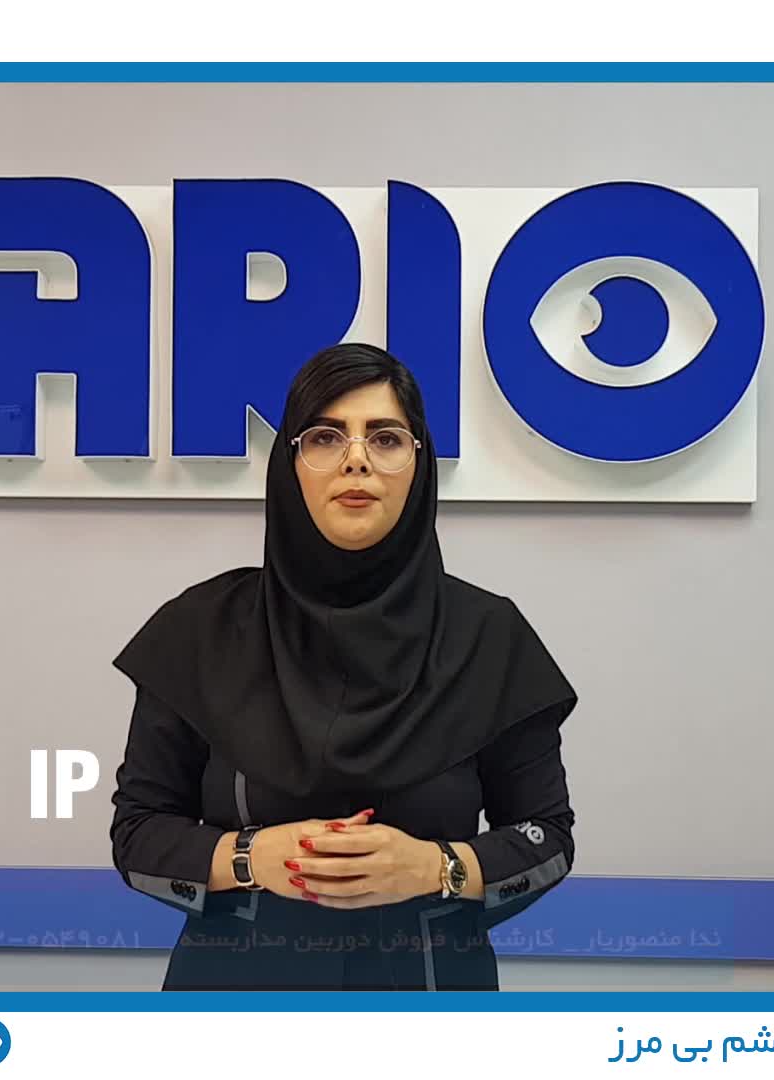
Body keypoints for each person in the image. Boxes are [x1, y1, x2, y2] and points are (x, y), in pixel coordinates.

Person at [109, 342, 578, 991]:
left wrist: (433, 867)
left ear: (419, 464)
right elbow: (137, 833)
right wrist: (251, 857)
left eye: (385, 438)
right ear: (290, 464)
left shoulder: (487, 637)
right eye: (326, 437)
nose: (356, 459)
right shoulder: (203, 630)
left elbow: (546, 837)